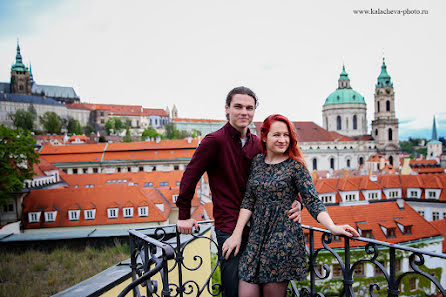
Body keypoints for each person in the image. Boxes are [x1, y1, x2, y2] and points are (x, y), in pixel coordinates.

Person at [176, 88, 302, 297]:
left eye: (249, 108)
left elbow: (279, 171)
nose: (244, 112)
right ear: (227, 109)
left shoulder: (258, 143)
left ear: (254, 112)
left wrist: (297, 201)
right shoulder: (214, 141)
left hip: (262, 231)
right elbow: (189, 178)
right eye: (238, 107)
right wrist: (183, 217)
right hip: (229, 228)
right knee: (234, 291)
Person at [222, 114, 360, 297]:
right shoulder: (256, 163)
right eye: (276, 135)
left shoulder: (295, 167)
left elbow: (312, 200)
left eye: (286, 135)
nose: (282, 140)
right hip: (256, 239)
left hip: (282, 240)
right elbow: (249, 200)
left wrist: (332, 226)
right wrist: (237, 235)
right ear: (264, 136)